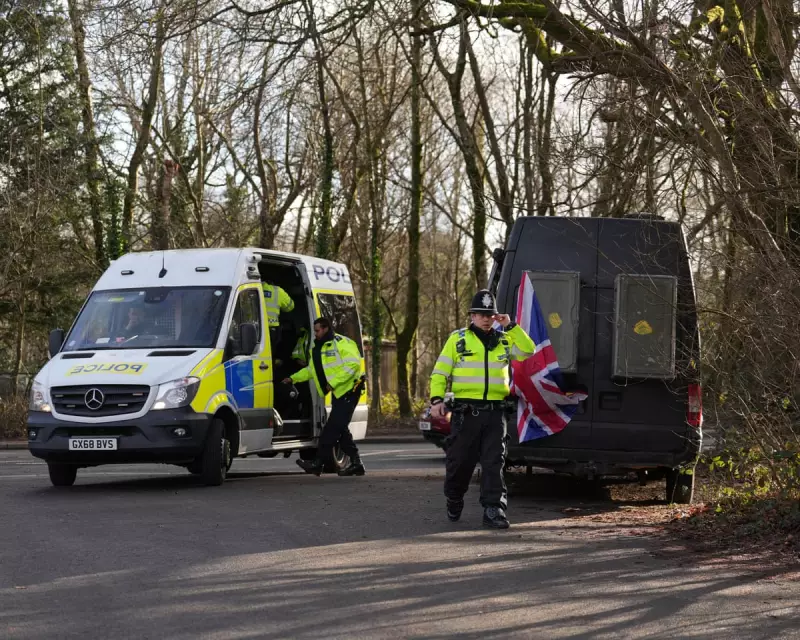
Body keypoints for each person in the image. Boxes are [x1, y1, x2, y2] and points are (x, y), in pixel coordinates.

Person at [429, 289, 535, 529]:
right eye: (480, 314)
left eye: (490, 314)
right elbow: (440, 373)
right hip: (466, 413)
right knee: (460, 463)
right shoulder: (458, 339)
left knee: (493, 462)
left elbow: (529, 350)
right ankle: (454, 498)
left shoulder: (505, 340)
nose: (486, 319)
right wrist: (436, 401)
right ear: (472, 316)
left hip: (495, 413)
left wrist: (511, 326)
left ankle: (494, 509)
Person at [282, 317, 366, 477]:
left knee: (331, 429)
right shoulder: (318, 348)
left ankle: (318, 463)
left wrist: (332, 383)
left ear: (326, 328)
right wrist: (293, 378)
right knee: (340, 429)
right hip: (339, 393)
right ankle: (356, 463)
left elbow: (353, 366)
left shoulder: (342, 343)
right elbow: (311, 370)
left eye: (318, 330)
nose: (316, 334)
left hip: (350, 391)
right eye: (315, 330)